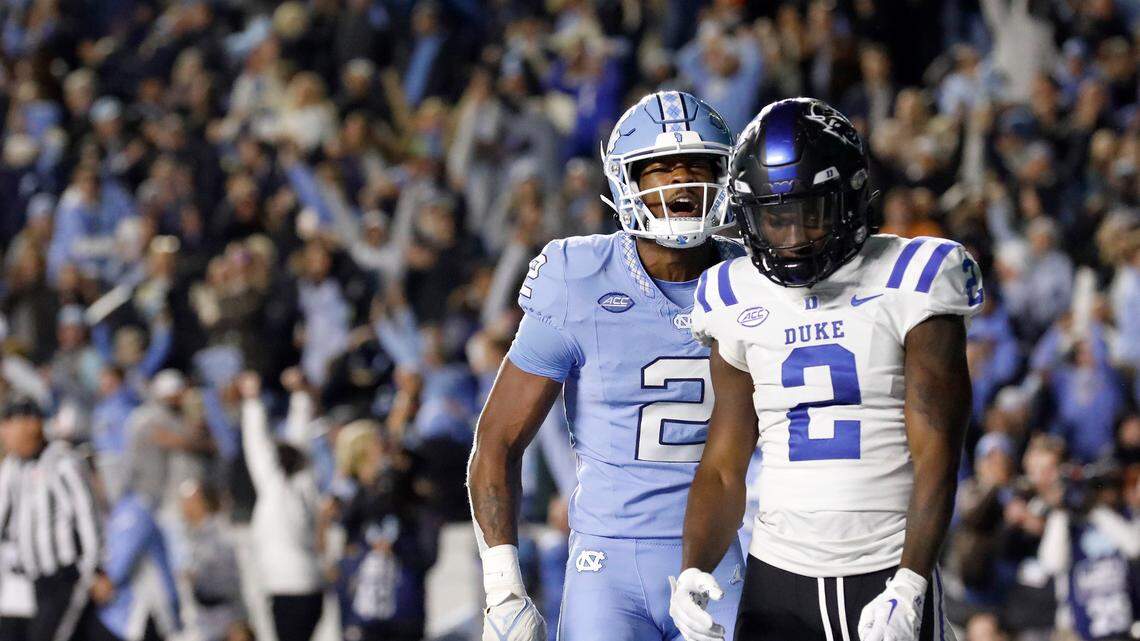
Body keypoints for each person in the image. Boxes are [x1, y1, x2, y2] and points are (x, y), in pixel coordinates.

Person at [670, 98, 981, 641]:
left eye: (809, 213)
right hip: (777, 571)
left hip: (883, 566)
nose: (791, 237)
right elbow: (723, 463)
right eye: (774, 216)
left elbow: (938, 453)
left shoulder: (916, 278)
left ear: (851, 199)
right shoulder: (731, 293)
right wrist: (693, 567)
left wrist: (910, 583)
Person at [468, 91, 746, 641]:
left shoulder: (756, 281)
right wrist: (502, 586)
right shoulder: (577, 275)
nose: (683, 182)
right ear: (628, 182)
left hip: (724, 555)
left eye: (699, 166)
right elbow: (497, 439)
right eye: (661, 169)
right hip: (607, 564)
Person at [0, 397, 103, 641]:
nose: (4, 435)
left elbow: (87, 517)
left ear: (32, 424)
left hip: (64, 577)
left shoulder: (62, 462)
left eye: (8, 425)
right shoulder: (13, 466)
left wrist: (94, 568)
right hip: (28, 579)